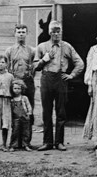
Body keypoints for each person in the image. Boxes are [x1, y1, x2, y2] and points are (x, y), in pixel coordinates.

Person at [35, 20, 84, 151]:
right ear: (49, 33)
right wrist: (44, 60)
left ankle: (59, 142)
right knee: (47, 112)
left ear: (61, 32)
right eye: (53, 32)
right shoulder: (42, 47)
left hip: (61, 79)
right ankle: (47, 142)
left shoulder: (67, 47)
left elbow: (80, 63)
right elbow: (34, 67)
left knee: (61, 112)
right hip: (46, 78)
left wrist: (71, 75)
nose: (56, 34)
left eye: (58, 31)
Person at [5, 24, 36, 148]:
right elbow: (6, 67)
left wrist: (30, 74)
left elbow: (35, 65)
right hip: (15, 83)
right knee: (15, 112)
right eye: (19, 32)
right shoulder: (9, 50)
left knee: (28, 111)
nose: (21, 34)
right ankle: (15, 142)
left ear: (27, 34)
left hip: (28, 83)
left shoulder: (31, 50)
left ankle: (26, 142)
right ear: (15, 34)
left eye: (23, 32)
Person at [9, 79, 33, 152]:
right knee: (15, 132)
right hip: (15, 118)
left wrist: (29, 113)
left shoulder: (24, 98)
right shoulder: (11, 99)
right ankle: (13, 145)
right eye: (15, 88)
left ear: (22, 89)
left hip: (24, 117)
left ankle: (26, 145)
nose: (17, 90)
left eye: (19, 88)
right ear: (12, 89)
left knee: (26, 131)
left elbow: (29, 106)